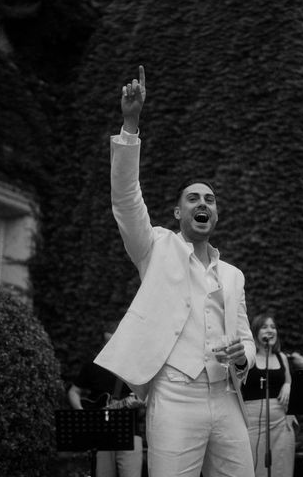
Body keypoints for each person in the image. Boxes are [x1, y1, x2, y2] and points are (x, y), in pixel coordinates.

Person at [93, 66, 256, 477]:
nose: (204, 202)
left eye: (210, 199)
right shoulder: (155, 248)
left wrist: (244, 355)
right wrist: (130, 125)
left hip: (225, 396)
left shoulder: (233, 275)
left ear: (215, 214)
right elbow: (126, 199)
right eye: (193, 198)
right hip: (174, 395)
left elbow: (247, 337)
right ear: (177, 212)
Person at [67, 328, 144, 477]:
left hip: (130, 432)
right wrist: (82, 412)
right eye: (107, 342)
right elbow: (73, 391)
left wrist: (140, 402)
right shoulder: (92, 366)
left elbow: (147, 397)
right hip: (100, 434)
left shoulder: (135, 367)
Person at [241, 315, 295, 477]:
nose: (270, 330)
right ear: (256, 332)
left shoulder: (282, 357)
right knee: (254, 467)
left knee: (281, 468)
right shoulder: (248, 359)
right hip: (253, 425)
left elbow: (289, 382)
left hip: (281, 424)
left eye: (273, 326)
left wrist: (288, 385)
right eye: (265, 327)